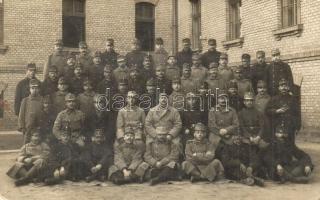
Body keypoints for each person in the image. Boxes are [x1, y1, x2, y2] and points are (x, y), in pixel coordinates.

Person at [266, 78, 300, 145]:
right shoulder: (274, 99)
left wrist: (297, 127)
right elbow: (267, 110)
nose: (283, 88)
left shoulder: (293, 99)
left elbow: (297, 114)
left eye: (285, 86)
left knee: (290, 144)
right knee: (278, 144)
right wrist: (277, 111)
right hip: (277, 125)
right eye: (281, 86)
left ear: (288, 87)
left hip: (290, 126)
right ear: (278, 88)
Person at [208, 91, 239, 158]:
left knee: (233, 148)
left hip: (229, 135)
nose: (223, 100)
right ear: (217, 99)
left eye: (225, 98)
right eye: (221, 98)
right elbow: (211, 126)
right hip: (216, 135)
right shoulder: (212, 110)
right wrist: (221, 132)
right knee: (216, 149)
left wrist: (227, 130)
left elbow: (236, 125)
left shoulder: (232, 111)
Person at [18, 79, 44, 144]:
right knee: (26, 143)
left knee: (40, 143)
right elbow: (21, 114)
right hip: (28, 127)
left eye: (36, 88)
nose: (34, 90)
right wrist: (21, 126)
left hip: (39, 126)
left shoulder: (42, 100)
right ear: (30, 89)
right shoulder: (25, 100)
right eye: (33, 88)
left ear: (39, 89)